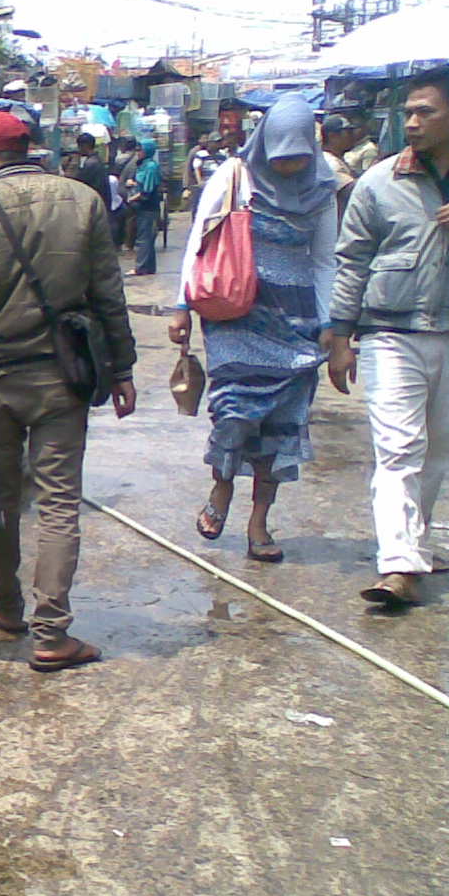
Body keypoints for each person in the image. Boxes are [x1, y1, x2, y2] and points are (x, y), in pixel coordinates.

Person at [0, 110, 138, 673]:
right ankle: (52, 634)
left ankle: (5, 606)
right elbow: (107, 294)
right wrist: (122, 369)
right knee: (57, 503)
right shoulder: (84, 202)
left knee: (0, 501)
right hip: (63, 380)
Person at [169, 93, 338, 564]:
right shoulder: (234, 175)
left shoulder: (323, 188)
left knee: (282, 426)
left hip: (296, 323)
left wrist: (329, 323)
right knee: (235, 414)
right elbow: (198, 241)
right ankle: (221, 486)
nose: (288, 168)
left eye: (298, 157)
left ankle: (259, 522)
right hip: (234, 314)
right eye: (281, 158)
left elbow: (325, 260)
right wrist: (181, 305)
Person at [327, 66, 449, 607]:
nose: (412, 122)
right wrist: (339, 335)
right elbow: (351, 260)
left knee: (441, 449)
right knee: (399, 448)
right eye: (407, 112)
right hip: (390, 332)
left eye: (424, 111)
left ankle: (415, 542)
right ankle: (399, 563)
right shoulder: (380, 181)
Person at [125, 138, 162, 276]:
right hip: (141, 207)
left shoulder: (151, 167)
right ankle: (148, 267)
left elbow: (147, 191)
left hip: (148, 207)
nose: (137, 152)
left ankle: (140, 267)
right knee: (146, 237)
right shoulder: (142, 165)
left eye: (140, 150)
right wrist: (132, 183)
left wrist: (132, 198)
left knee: (144, 238)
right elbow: (139, 182)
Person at [319, 114, 359, 220]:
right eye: (348, 133)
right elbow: (353, 190)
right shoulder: (329, 162)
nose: (353, 136)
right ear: (332, 136)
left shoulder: (336, 158)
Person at [69, 133, 110, 203]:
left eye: (79, 146)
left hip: (95, 200)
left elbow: (79, 182)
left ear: (85, 146)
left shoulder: (91, 163)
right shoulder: (97, 159)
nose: (78, 149)